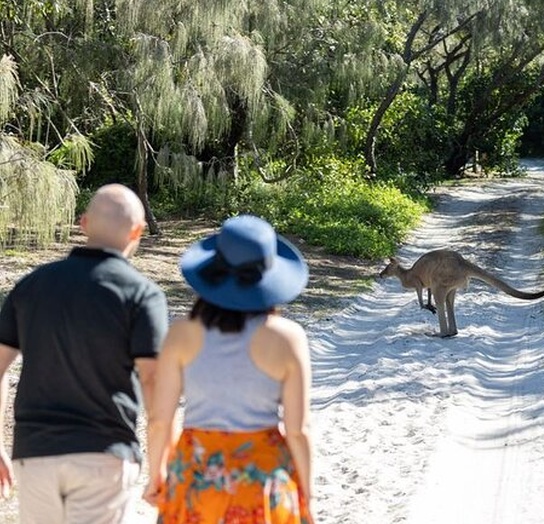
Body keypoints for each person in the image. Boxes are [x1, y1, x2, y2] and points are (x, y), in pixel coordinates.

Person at [0, 183, 169, 523]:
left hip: (34, 454)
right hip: (104, 453)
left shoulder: (32, 286)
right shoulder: (142, 295)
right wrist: (159, 466)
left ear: (83, 223)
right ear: (137, 231)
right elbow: (153, 381)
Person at [143, 214, 315, 524]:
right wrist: (307, 496)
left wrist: (156, 475)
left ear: (213, 272)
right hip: (261, 478)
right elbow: (298, 430)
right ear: (268, 275)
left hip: (195, 475)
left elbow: (159, 421)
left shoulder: (181, 334)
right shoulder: (288, 338)